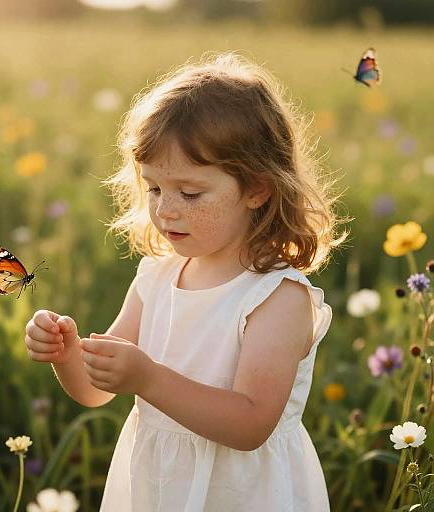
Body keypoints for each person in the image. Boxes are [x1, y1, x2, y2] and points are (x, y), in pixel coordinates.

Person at [25, 52, 347, 511]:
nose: (166, 209)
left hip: (242, 493)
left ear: (257, 188)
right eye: (154, 188)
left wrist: (150, 379)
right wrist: (66, 353)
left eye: (190, 193)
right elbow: (96, 390)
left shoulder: (275, 297)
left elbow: (251, 425)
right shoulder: (156, 277)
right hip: (160, 487)